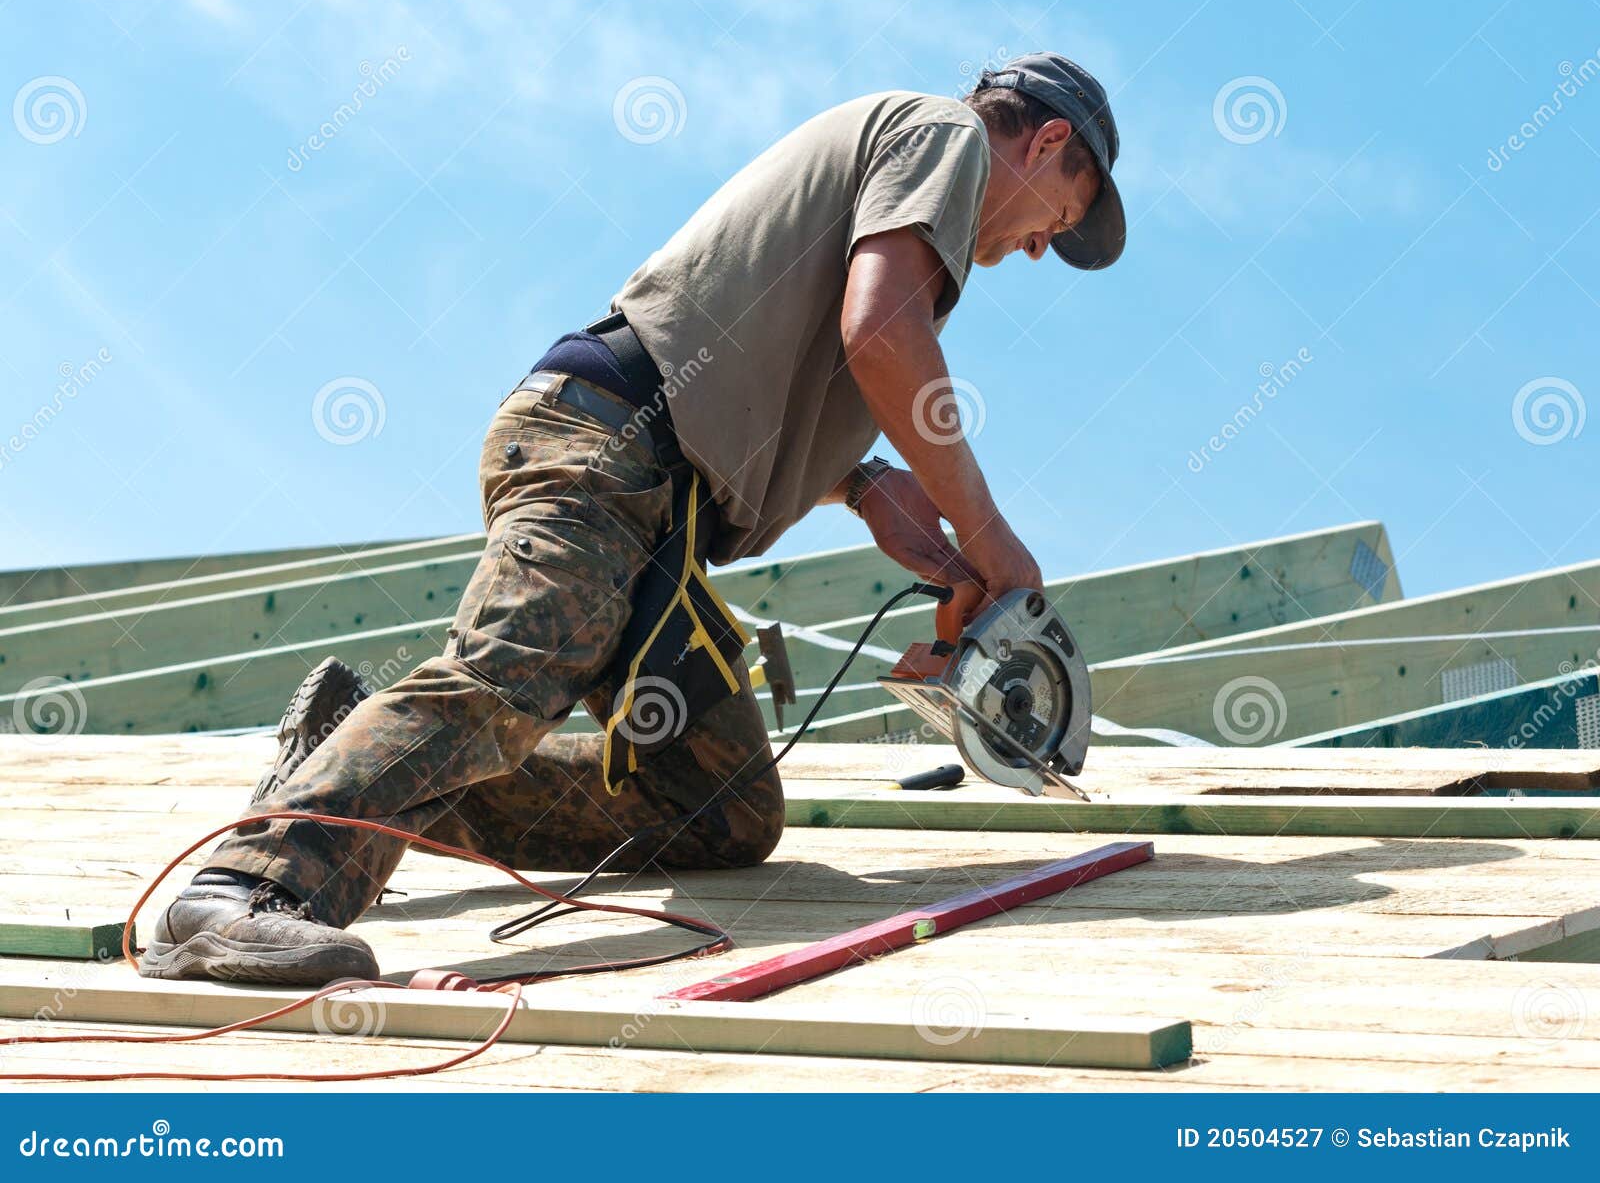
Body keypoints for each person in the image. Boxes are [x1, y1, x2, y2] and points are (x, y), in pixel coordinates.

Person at [139, 52, 1125, 985]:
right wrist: (988, 535)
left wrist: (868, 490)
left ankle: (344, 756)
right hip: (603, 445)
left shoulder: (904, 194)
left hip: (658, 506)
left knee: (720, 813)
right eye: (1059, 216)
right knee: (508, 677)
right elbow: (880, 333)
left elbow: (772, 380)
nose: (1038, 245)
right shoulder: (942, 133)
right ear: (1040, 144)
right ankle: (241, 887)